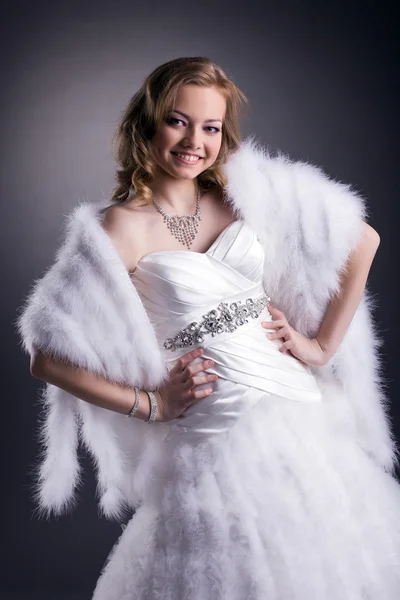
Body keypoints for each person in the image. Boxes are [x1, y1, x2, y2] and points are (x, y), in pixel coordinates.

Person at [18, 57, 400, 599]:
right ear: (146, 123)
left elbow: (362, 240)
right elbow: (46, 356)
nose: (194, 140)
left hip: (297, 420)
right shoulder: (119, 228)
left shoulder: (249, 197)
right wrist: (149, 403)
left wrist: (318, 347)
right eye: (178, 121)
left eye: (211, 127)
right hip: (214, 440)